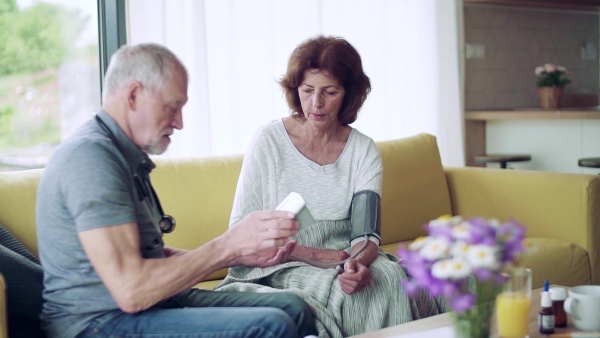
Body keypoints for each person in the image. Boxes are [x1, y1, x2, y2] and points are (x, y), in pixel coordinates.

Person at [35, 43, 318, 338]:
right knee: (272, 326)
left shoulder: (123, 155)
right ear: (133, 95)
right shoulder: (91, 160)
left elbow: (149, 257)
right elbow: (131, 291)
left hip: (146, 305)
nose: (180, 123)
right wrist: (228, 245)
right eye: (172, 107)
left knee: (292, 307)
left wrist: (240, 255)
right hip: (95, 323)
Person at [215, 35, 443, 337]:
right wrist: (312, 255)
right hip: (276, 263)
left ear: (348, 95)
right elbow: (240, 232)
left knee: (386, 277)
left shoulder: (362, 150)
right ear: (296, 90)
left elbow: (366, 233)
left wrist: (358, 263)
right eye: (307, 90)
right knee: (340, 291)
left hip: (344, 253)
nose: (316, 103)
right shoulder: (268, 141)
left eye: (329, 92)